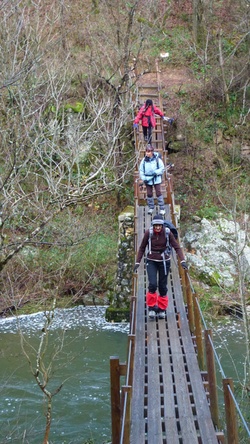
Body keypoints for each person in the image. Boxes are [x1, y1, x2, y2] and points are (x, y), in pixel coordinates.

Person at [133, 214, 188, 320]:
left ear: (162, 225)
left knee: (163, 286)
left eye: (159, 225)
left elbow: (177, 247)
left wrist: (183, 261)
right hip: (151, 260)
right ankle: (152, 308)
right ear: (153, 225)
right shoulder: (149, 233)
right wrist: (137, 263)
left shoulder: (168, 233)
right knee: (152, 284)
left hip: (164, 261)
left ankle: (162, 309)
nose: (157, 227)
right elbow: (141, 248)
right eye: (156, 225)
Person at [139, 145, 165, 215]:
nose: (147, 153)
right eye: (146, 152)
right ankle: (151, 207)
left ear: (152, 152)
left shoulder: (157, 160)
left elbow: (162, 168)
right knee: (149, 194)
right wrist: (144, 178)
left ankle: (162, 208)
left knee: (158, 192)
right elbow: (141, 170)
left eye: (149, 152)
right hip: (148, 179)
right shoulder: (143, 161)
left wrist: (156, 172)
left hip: (156, 179)